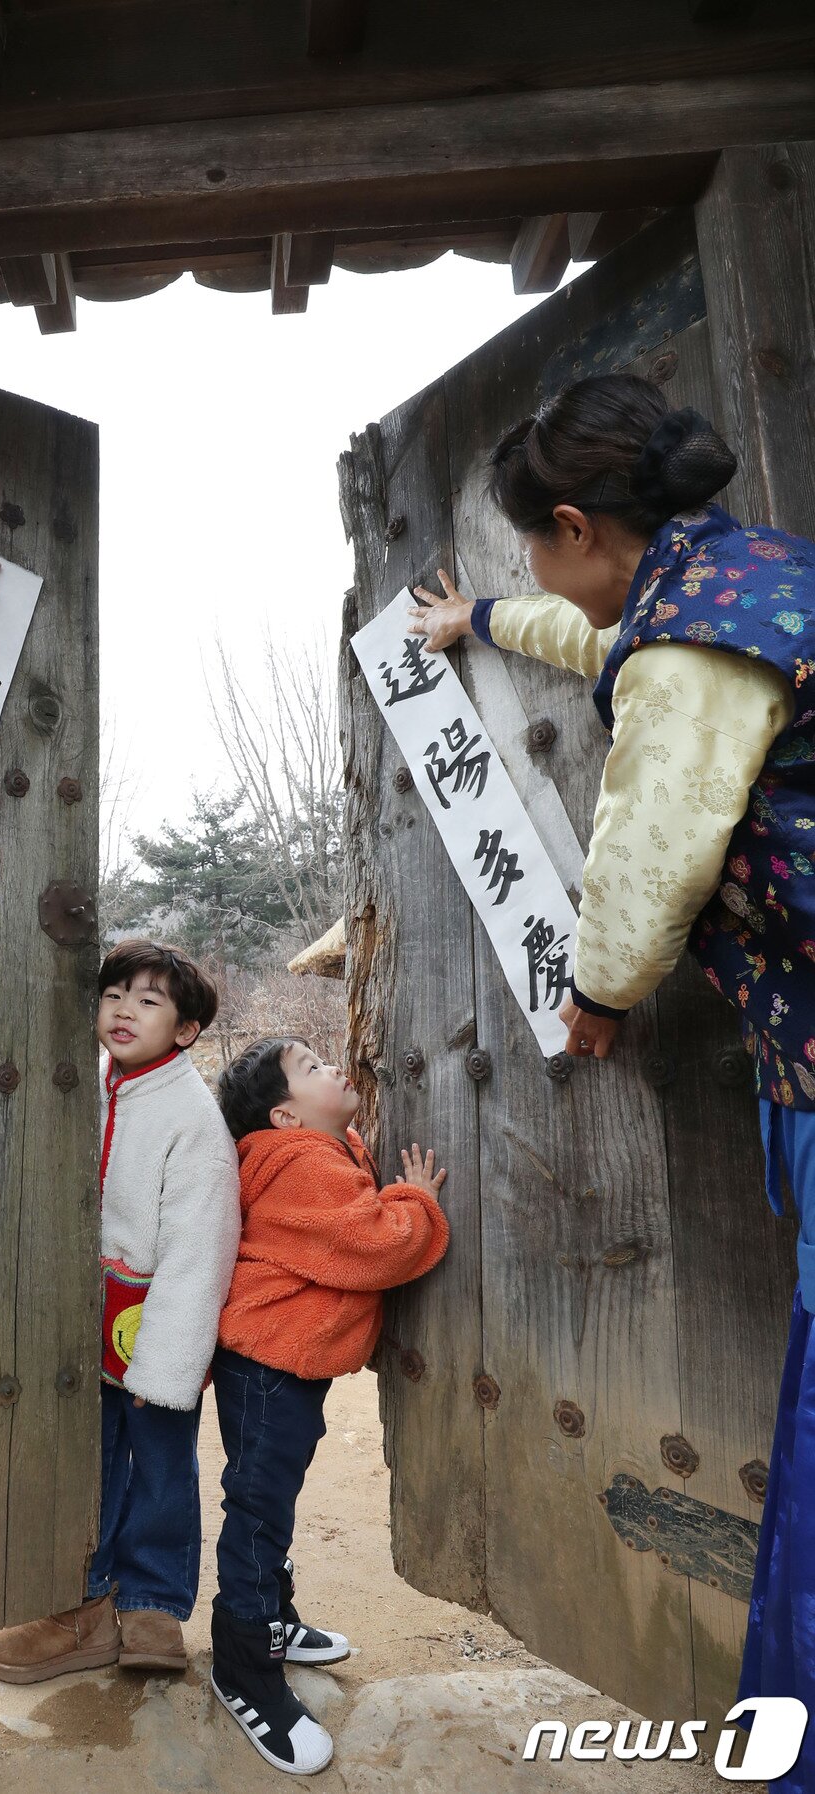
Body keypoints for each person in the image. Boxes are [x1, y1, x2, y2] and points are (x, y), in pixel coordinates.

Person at [408, 371, 815, 1791]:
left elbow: (645, 868)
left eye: (535, 553)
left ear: (579, 523)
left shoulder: (689, 646)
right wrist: (481, 627)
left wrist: (592, 993)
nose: (539, 579)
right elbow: (600, 637)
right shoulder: (744, 576)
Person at [0, 940, 241, 1685]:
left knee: (159, 1460)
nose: (125, 1011)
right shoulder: (87, 1086)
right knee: (88, 1463)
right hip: (79, 1321)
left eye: (150, 1000)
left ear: (186, 1030)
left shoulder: (192, 1118)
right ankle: (82, 1607)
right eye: (114, 995)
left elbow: (201, 1247)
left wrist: (168, 1363)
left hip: (154, 1327)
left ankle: (154, 1607)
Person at [210, 1036, 449, 1774]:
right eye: (311, 1069)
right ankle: (242, 1663)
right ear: (284, 1116)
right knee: (257, 1508)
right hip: (268, 1363)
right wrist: (417, 1201)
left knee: (269, 1499)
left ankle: (273, 1619)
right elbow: (377, 1244)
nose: (334, 1069)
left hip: (278, 1362)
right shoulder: (302, 1164)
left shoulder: (314, 1152)